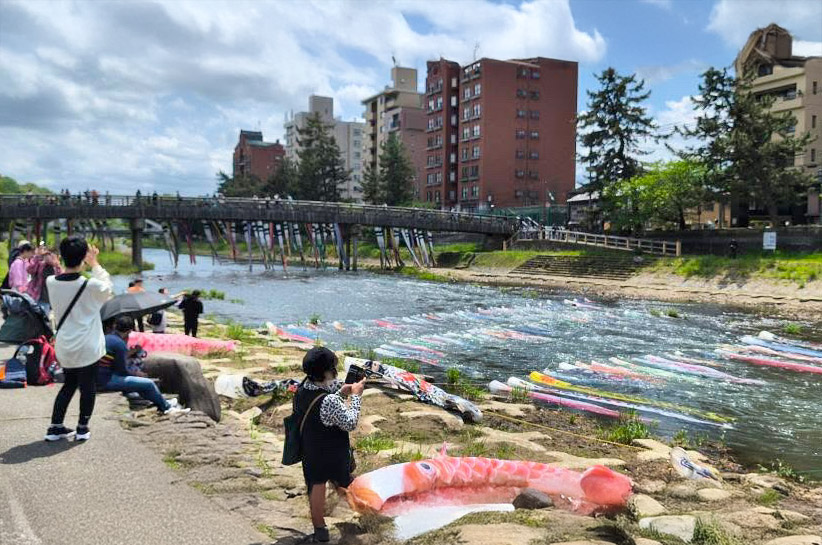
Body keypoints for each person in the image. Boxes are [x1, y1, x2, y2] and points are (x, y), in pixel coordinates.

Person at [45, 237, 113, 442]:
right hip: (88, 345)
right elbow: (107, 288)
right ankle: (82, 428)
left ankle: (55, 427)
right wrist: (95, 264)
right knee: (87, 386)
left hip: (65, 344)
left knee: (69, 384)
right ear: (84, 256)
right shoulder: (90, 285)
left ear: (62, 256)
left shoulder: (51, 282)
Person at [295, 347, 365, 542]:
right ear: (325, 372)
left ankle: (320, 530)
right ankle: (369, 514)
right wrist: (356, 397)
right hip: (334, 453)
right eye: (333, 367)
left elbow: (323, 413)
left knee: (316, 486)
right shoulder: (329, 401)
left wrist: (341, 394)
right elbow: (349, 422)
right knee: (346, 482)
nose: (335, 371)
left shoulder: (302, 389)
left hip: (311, 451)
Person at [97, 316, 189, 415]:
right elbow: (122, 371)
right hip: (104, 381)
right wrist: (136, 373)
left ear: (115, 326)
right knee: (148, 383)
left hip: (98, 377)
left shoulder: (106, 337)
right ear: (129, 331)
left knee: (140, 383)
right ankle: (166, 408)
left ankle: (161, 401)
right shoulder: (119, 344)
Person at [27, 245, 62, 314]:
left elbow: (61, 279)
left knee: (44, 319)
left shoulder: (57, 268)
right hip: (36, 296)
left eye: (50, 255)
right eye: (46, 255)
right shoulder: (40, 264)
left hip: (48, 299)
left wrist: (57, 264)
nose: (48, 257)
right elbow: (29, 269)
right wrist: (37, 256)